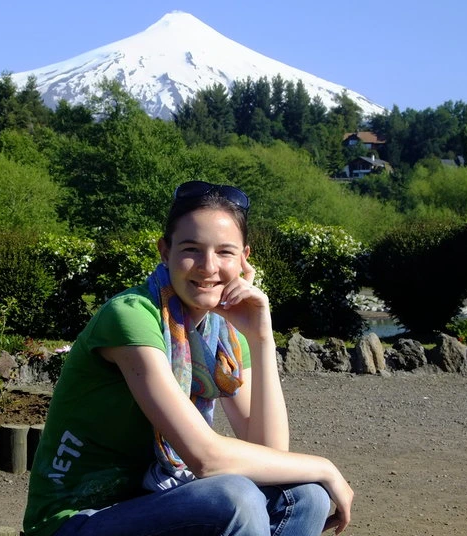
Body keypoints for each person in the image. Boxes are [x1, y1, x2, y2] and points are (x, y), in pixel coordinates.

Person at [24, 180, 354, 536]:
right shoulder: (132, 316)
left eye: (225, 252)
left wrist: (260, 337)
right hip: (75, 521)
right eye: (192, 249)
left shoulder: (225, 333)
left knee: (306, 496)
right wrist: (324, 466)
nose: (208, 266)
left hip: (157, 501)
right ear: (165, 251)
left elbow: (271, 453)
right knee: (234, 497)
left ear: (245, 259)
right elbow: (205, 459)